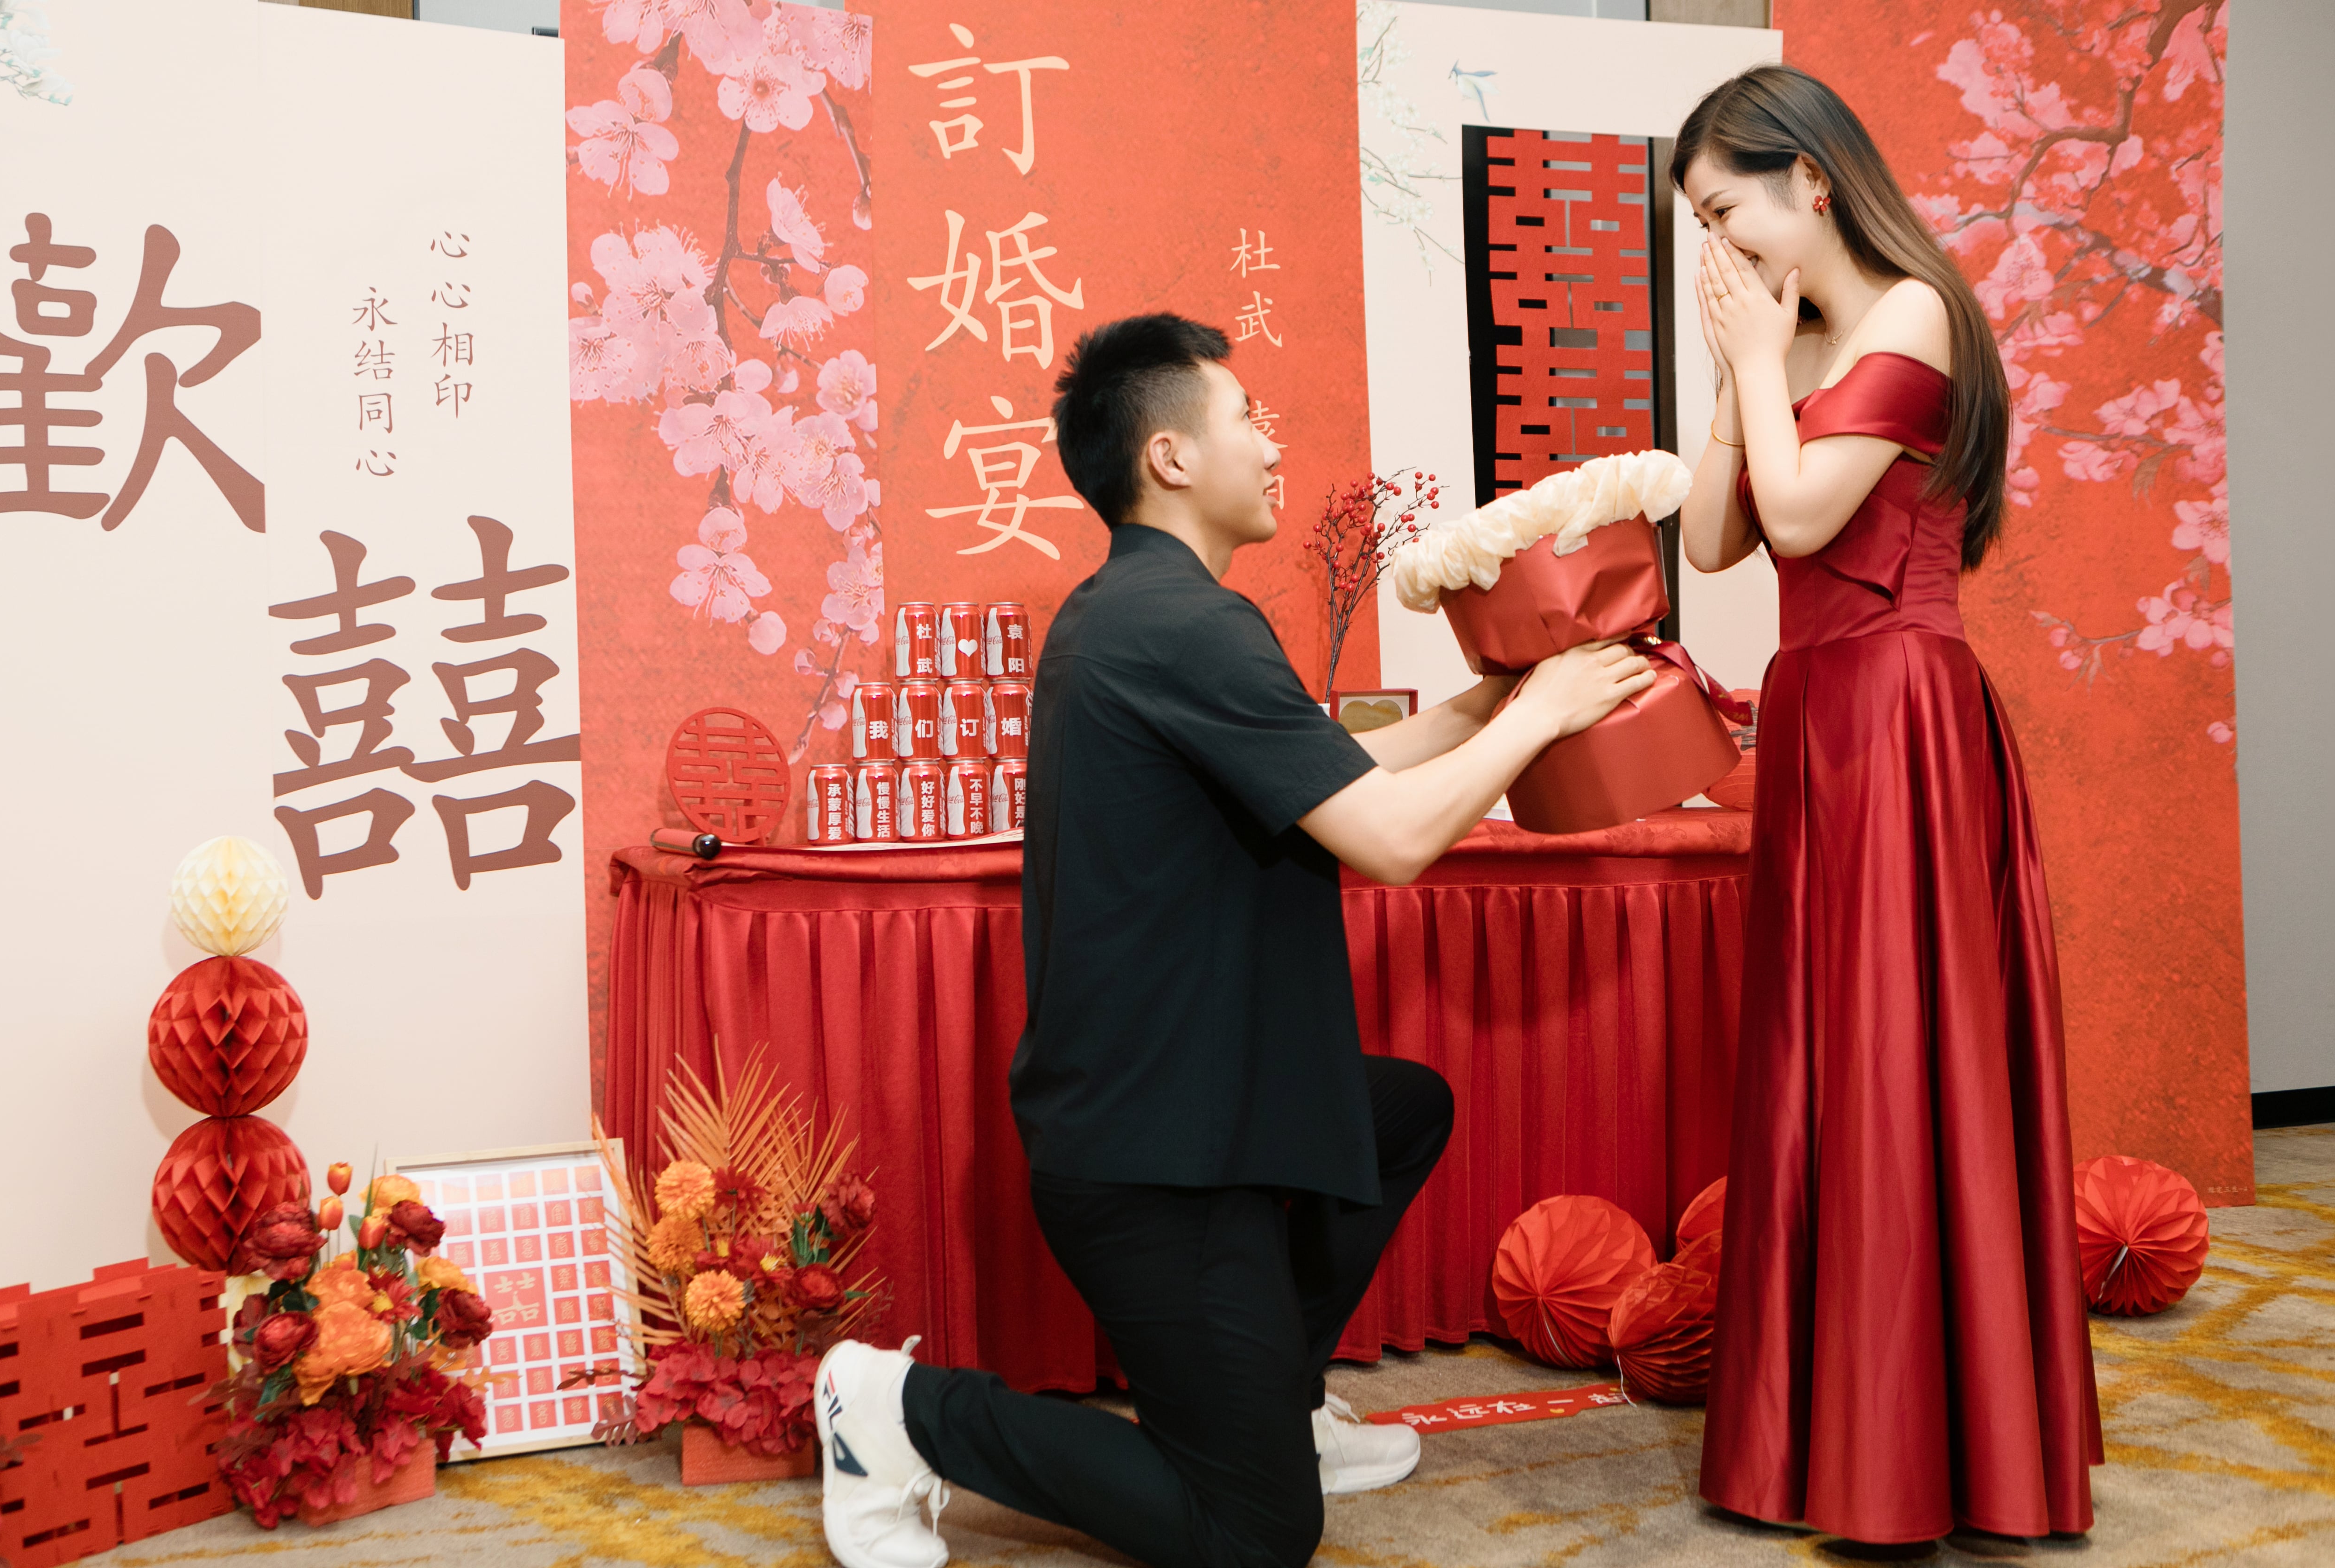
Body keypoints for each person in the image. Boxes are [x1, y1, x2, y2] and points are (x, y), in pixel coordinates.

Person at [811, 314, 1655, 1568]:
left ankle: (1279, 1404)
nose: (1271, 444)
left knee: (1394, 1114)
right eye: (1247, 418)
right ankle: (895, 1414)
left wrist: (1488, 706)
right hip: (1163, 1157)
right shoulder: (1186, 626)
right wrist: (1543, 720)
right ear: (1170, 458)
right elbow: (1388, 839)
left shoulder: (1141, 610)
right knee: (1254, 1536)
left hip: (1189, 1106)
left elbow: (1324, 768)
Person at [1673, 64, 2103, 1546]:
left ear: (1812, 178)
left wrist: (1754, 365)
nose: (1716, 247)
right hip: (1819, 716)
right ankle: (1831, 1438)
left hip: (1902, 713)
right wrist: (1738, 371)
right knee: (1828, 1056)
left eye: (1724, 211)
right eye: (1698, 227)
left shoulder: (1916, 315)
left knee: (1896, 1051)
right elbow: (1714, 542)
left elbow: (1799, 519)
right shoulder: (1799, 340)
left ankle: (1912, 1453)